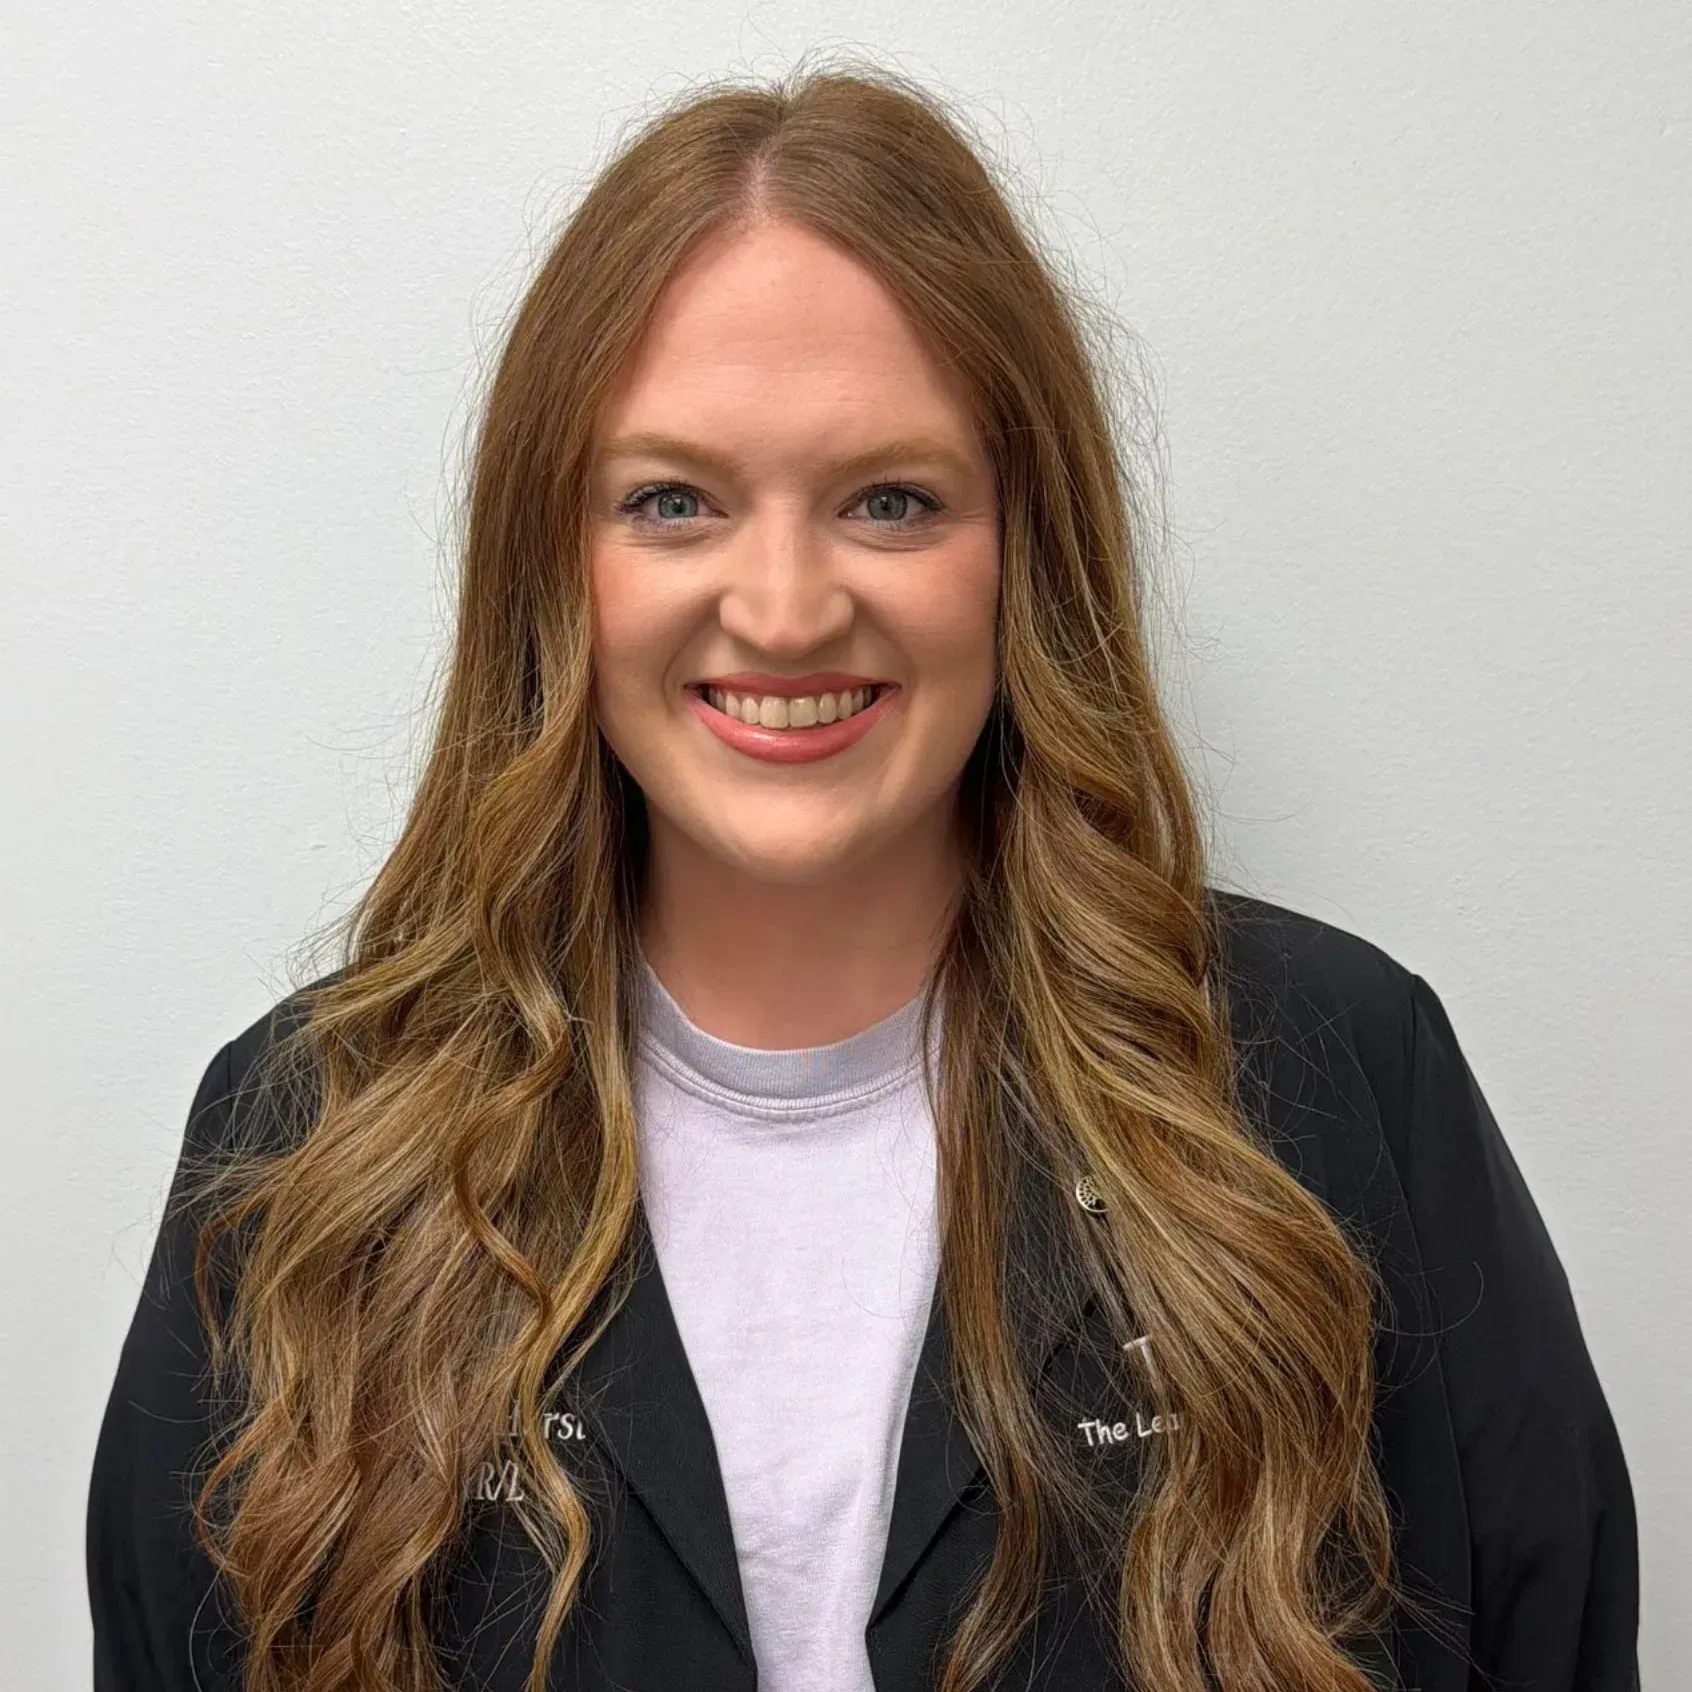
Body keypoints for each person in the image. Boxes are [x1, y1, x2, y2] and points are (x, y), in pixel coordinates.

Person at [87, 62, 1638, 1692]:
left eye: (890, 501)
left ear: (1018, 552)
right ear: (557, 566)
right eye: (672, 501)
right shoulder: (307, 1147)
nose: (784, 607)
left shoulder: (1334, 1083)